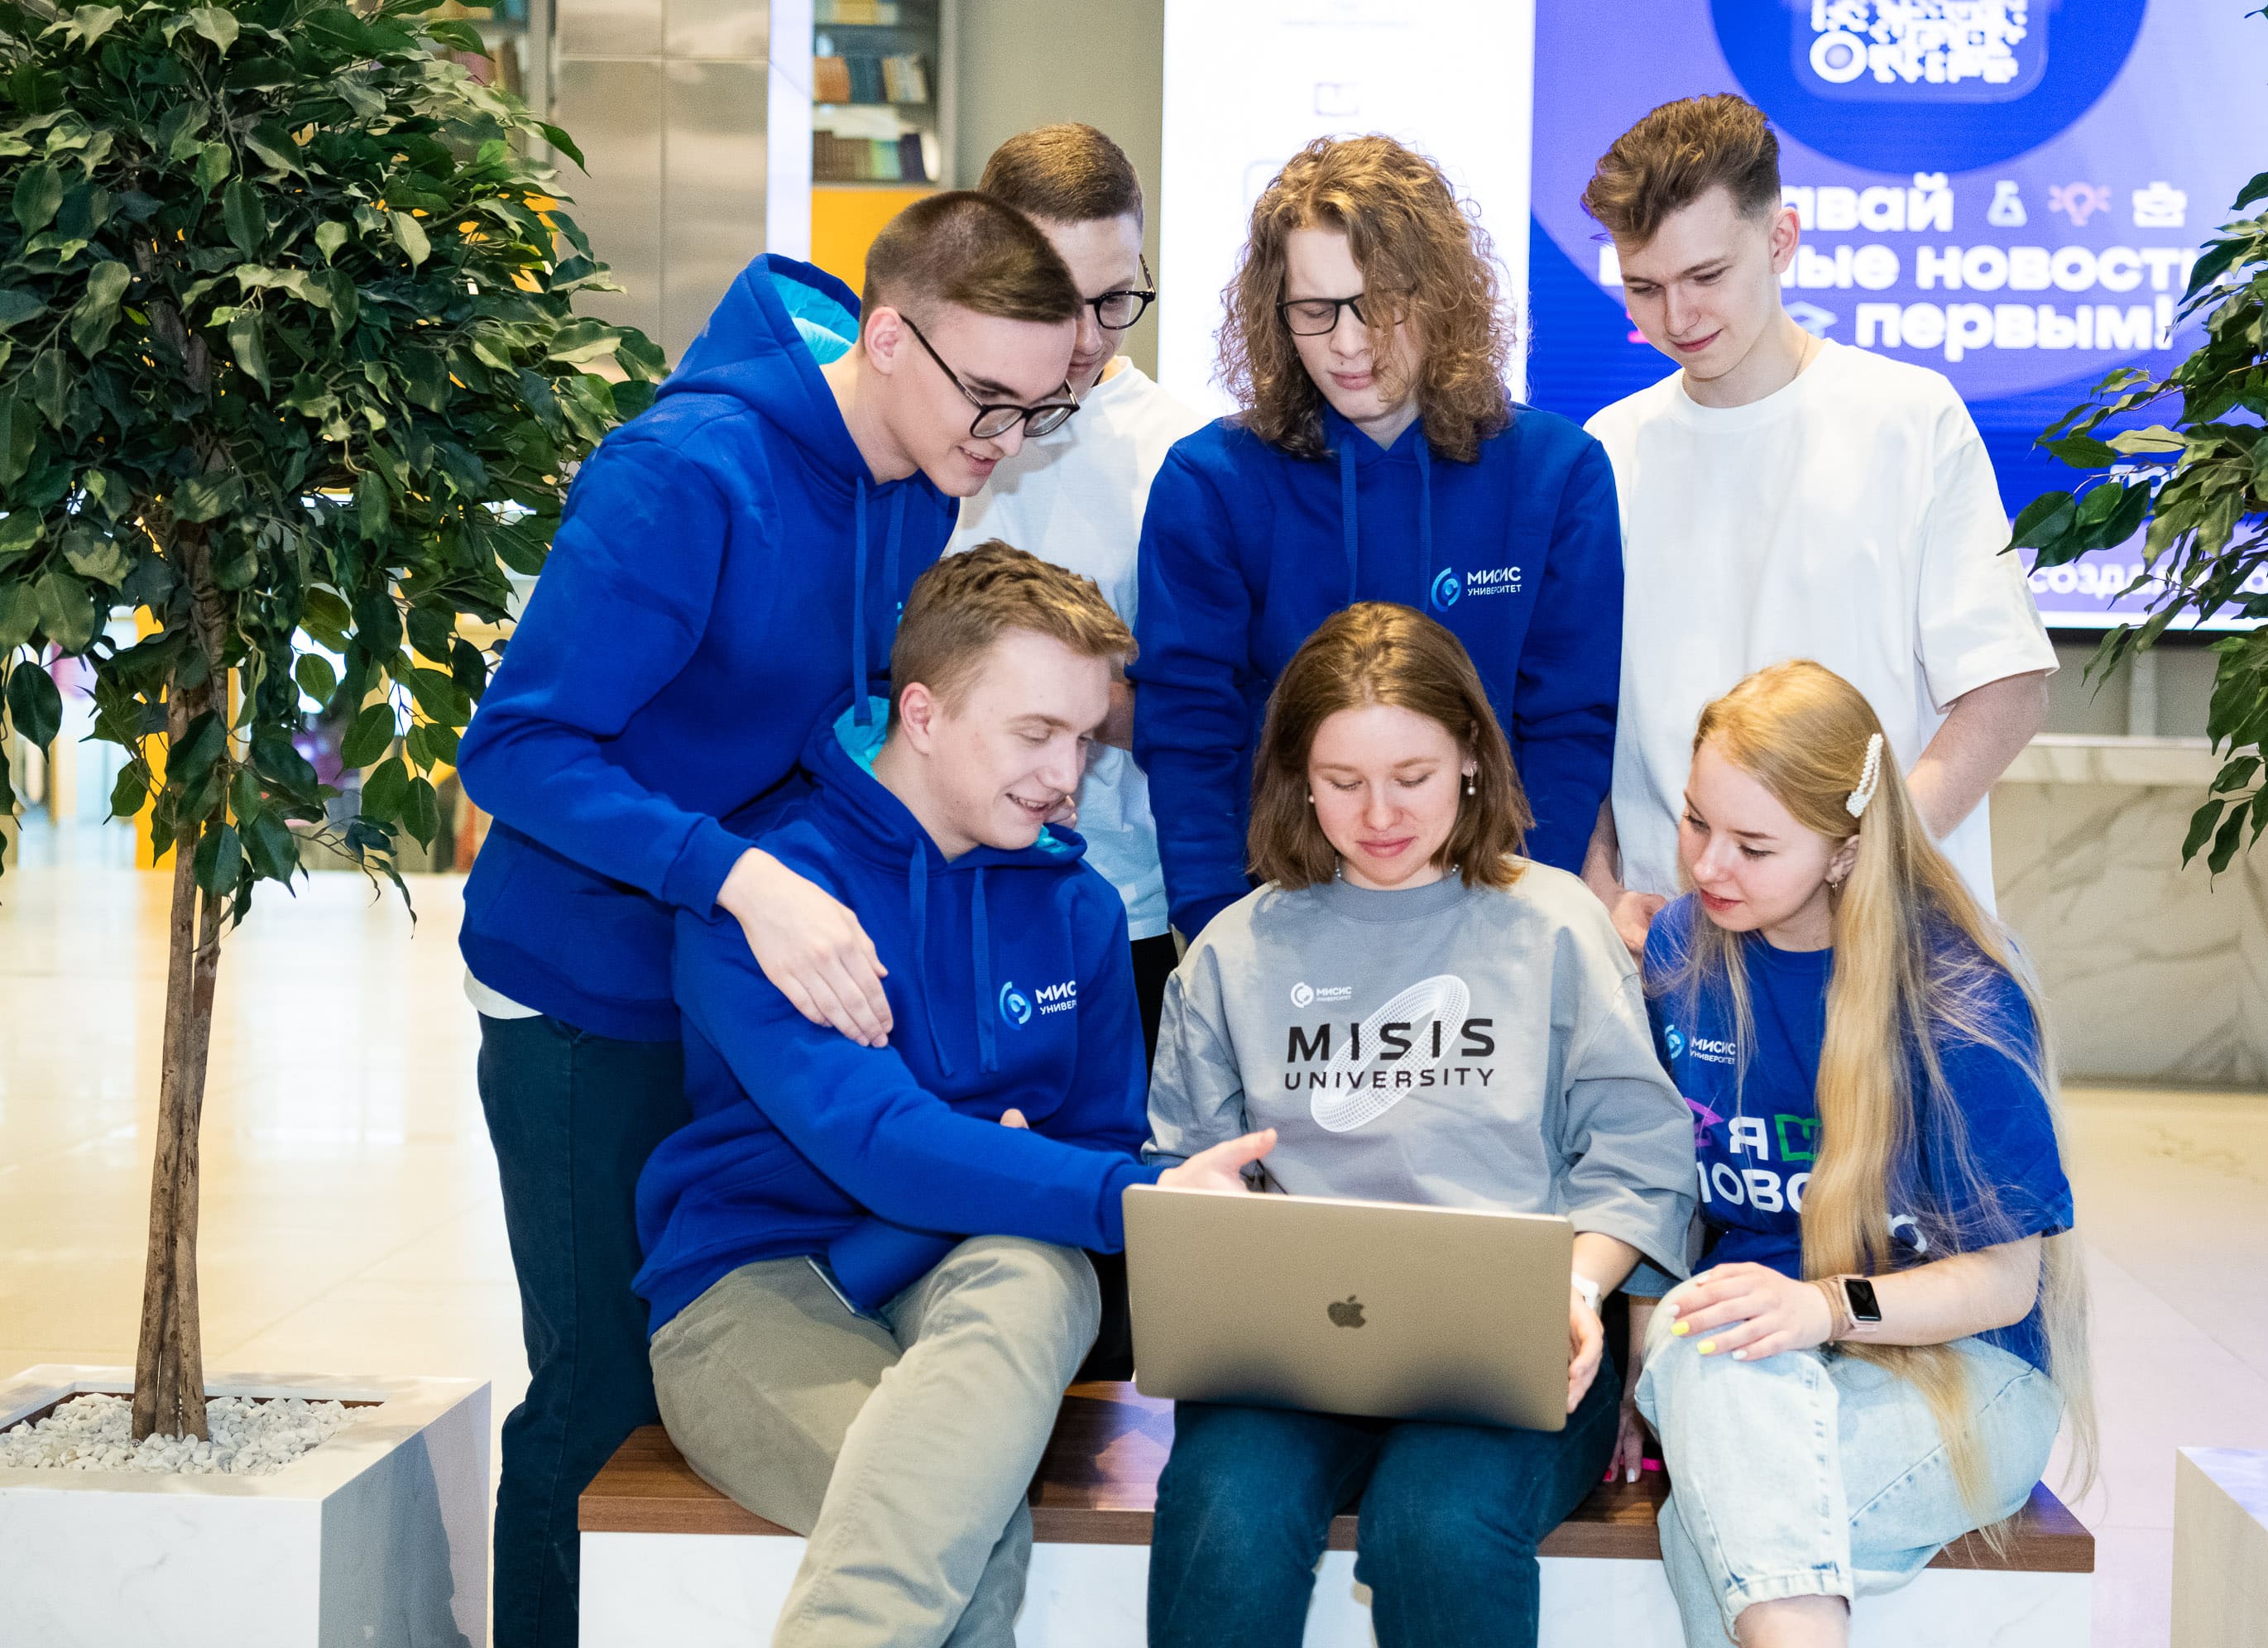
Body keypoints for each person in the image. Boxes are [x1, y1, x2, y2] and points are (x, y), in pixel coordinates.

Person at [453, 194, 1085, 1648]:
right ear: (888, 338)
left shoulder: (923, 469)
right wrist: (739, 877)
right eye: (988, 399)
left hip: (736, 968)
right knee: (601, 1385)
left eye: (1037, 409)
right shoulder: (687, 474)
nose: (1003, 440)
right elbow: (518, 749)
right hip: (585, 983)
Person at [633, 544, 1272, 1648]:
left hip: (986, 1269)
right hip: (759, 1286)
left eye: (1085, 738)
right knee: (960, 1545)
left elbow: (1088, 1140)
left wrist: (993, 1172)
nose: (1068, 775)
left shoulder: (1078, 906)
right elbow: (882, 1143)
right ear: (922, 714)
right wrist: (1102, 1187)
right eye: (1036, 733)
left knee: (1037, 1274)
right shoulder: (779, 896)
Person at [1144, 601, 1696, 1648]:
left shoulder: (1557, 923)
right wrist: (1190, 1197)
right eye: (1343, 780)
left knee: (1434, 1526)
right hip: (1288, 1355)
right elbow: (1180, 1169)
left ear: (1473, 758)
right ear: (1298, 777)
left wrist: (1580, 1291)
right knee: (1227, 1514)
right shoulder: (1233, 951)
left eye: (1413, 776)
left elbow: (1643, 1157)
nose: (1380, 814)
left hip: (1515, 1342)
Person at [1628, 659, 2095, 1648]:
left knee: (1719, 1511)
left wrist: (1828, 1306)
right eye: (1696, 822)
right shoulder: (1682, 950)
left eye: (1755, 845)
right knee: (1701, 1348)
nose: (1709, 865)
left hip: (1962, 1368)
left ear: (1845, 850)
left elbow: (2008, 1280)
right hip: (1752, 1366)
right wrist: (1641, 1383)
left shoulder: (1956, 990)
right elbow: (1654, 1190)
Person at [1575, 93, 2055, 953]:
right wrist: (1600, 884)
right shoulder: (1609, 450)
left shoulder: (1908, 418)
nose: (1677, 317)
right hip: (1679, 951)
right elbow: (1582, 716)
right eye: (1645, 287)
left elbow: (2007, 688)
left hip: (1885, 942)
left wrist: (1869, 862)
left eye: (1706, 277)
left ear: (1781, 239)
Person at [1134, 134, 1623, 941]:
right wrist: (1222, 937)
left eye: (1381, 304)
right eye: (1315, 311)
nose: (1349, 344)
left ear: (1442, 296)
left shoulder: (1556, 473)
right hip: (1280, 922)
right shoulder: (1211, 483)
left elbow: (1569, 727)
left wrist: (1519, 917)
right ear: (1275, 313)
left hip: (1494, 916)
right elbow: (1189, 734)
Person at [954, 122, 1206, 1060]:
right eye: (1059, 300)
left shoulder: (1181, 456)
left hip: (1120, 907)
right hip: (935, 888)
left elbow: (1196, 718)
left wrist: (1044, 702)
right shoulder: (927, 425)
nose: (1089, 337)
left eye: (1115, 299)